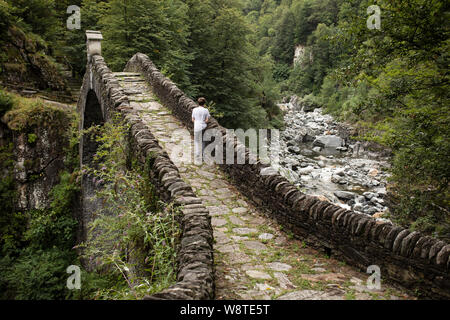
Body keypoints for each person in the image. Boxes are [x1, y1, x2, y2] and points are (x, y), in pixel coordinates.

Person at [192, 97, 210, 164]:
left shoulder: (194, 109)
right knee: (203, 141)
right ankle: (202, 156)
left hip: (196, 126)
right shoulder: (206, 110)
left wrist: (197, 122)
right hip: (203, 126)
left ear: (198, 103)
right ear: (204, 103)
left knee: (196, 141)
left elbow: (193, 119)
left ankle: (197, 155)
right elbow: (207, 120)